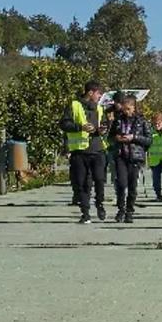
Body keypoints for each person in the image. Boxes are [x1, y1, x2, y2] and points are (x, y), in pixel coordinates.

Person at [62, 81, 110, 223]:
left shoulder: (100, 108)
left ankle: (99, 204)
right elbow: (64, 124)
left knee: (100, 179)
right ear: (90, 93)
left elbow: (105, 123)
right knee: (83, 183)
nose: (100, 96)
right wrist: (80, 127)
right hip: (79, 151)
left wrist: (103, 129)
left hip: (97, 148)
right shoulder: (74, 105)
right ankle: (85, 213)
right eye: (98, 93)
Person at [105, 92, 151, 224]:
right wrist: (116, 138)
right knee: (121, 183)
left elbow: (148, 140)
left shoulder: (142, 121)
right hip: (121, 155)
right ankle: (121, 209)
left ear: (134, 108)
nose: (126, 112)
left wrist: (134, 137)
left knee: (132, 186)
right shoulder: (118, 120)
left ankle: (130, 211)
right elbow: (110, 137)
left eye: (128, 109)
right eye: (124, 109)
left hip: (135, 156)